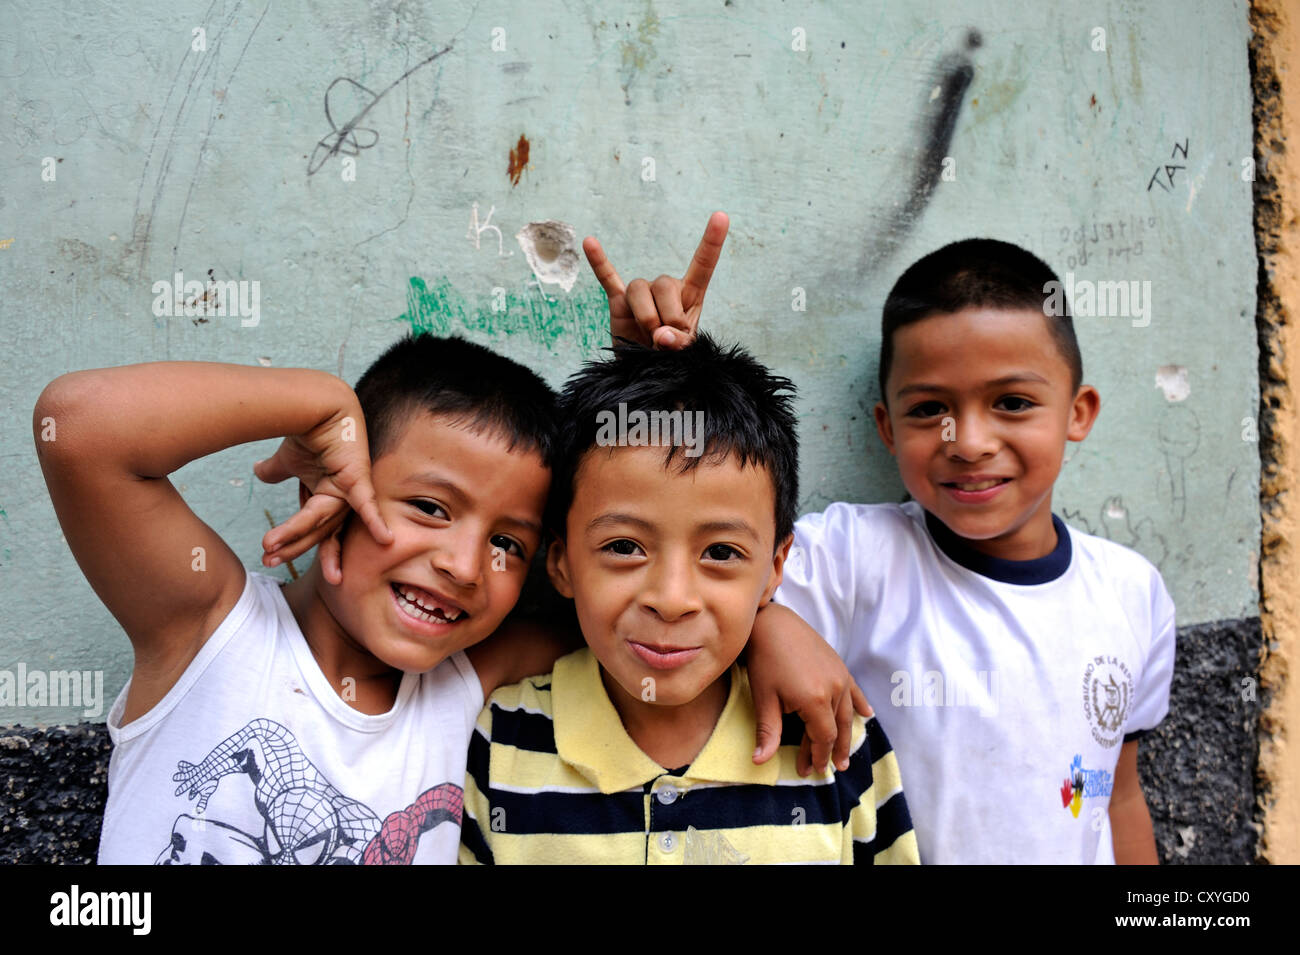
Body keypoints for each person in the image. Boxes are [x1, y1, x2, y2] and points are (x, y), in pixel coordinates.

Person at [764, 238, 1177, 864]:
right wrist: (767, 622)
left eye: (1012, 403)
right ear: (888, 428)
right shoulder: (854, 559)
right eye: (930, 409)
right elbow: (703, 585)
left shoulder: (1132, 592)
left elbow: (1117, 796)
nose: (970, 441)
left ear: (1078, 411)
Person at [458, 333, 919, 864]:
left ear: (774, 569)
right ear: (560, 562)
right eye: (624, 547)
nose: (672, 599)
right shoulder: (504, 740)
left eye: (721, 552)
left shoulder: (830, 738)